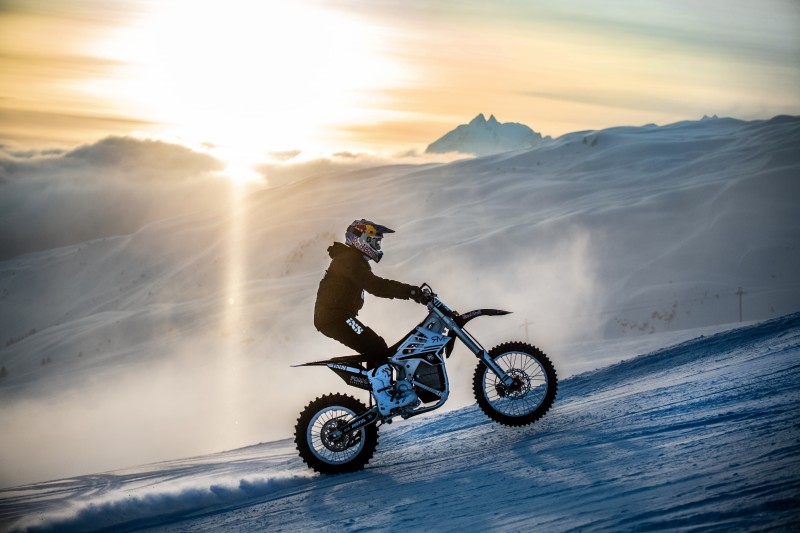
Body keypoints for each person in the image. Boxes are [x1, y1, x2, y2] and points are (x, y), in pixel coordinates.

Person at [314, 219, 423, 415]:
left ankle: (385, 395)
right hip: (334, 317)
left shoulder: (351, 260)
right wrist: (411, 292)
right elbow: (376, 286)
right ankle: (385, 399)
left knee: (376, 347)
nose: (377, 246)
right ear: (361, 240)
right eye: (375, 241)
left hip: (336, 316)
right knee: (376, 347)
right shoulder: (349, 260)